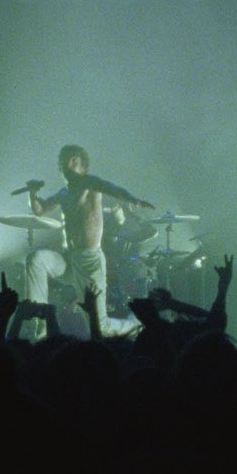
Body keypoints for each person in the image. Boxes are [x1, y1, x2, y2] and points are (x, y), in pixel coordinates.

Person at [23, 145, 154, 338]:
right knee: (36, 259)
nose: (66, 164)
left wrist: (134, 200)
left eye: (72, 160)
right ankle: (40, 321)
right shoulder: (63, 193)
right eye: (63, 161)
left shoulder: (90, 183)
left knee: (101, 328)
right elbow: (39, 210)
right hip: (69, 261)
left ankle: (137, 322)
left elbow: (112, 188)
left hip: (90, 263)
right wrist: (33, 193)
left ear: (82, 165)